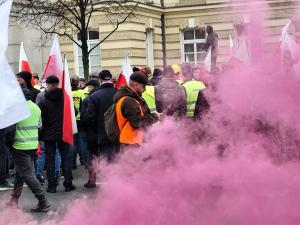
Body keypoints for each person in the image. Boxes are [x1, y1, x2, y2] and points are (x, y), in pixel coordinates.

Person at [6, 88, 50, 212]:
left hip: (20, 146)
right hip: (32, 145)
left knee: (27, 174)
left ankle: (43, 201)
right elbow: (39, 126)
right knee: (20, 173)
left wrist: (8, 143)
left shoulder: (17, 109)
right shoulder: (36, 107)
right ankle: (14, 200)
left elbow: (9, 130)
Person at [37, 76, 75, 193]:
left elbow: (41, 120)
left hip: (49, 133)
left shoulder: (43, 101)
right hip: (64, 132)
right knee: (66, 158)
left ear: (48, 85)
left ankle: (52, 186)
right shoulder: (65, 98)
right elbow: (74, 112)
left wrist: (41, 134)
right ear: (57, 84)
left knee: (50, 159)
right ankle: (68, 184)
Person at [85, 70, 118, 187]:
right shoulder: (119, 93)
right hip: (118, 133)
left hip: (102, 133)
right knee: (117, 158)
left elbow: (90, 117)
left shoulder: (94, 96)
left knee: (106, 159)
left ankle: (111, 185)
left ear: (99, 80)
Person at [112, 72, 160, 147]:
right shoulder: (128, 101)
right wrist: (155, 117)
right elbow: (138, 123)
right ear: (136, 85)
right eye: (144, 86)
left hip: (132, 142)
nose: (145, 89)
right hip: (131, 144)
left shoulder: (131, 99)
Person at [81, 79, 100, 188]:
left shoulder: (88, 99)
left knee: (93, 157)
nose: (87, 89)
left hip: (92, 133)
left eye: (88, 87)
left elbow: (85, 118)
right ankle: (114, 179)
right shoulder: (113, 94)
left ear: (92, 87)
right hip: (108, 133)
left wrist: (86, 130)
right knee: (109, 156)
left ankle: (92, 179)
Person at [71, 75, 87, 168]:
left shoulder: (68, 93)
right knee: (81, 141)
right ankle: (83, 161)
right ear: (78, 83)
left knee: (73, 142)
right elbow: (85, 106)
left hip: (72, 120)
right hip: (80, 119)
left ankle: (73, 163)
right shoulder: (81, 93)